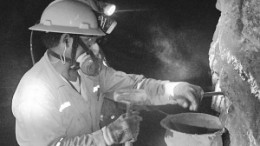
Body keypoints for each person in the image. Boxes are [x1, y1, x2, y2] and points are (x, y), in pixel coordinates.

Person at [12, 0, 204, 146]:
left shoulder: (88, 72)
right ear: (67, 40)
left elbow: (134, 86)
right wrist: (106, 136)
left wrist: (173, 89)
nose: (95, 49)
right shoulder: (35, 93)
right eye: (88, 42)